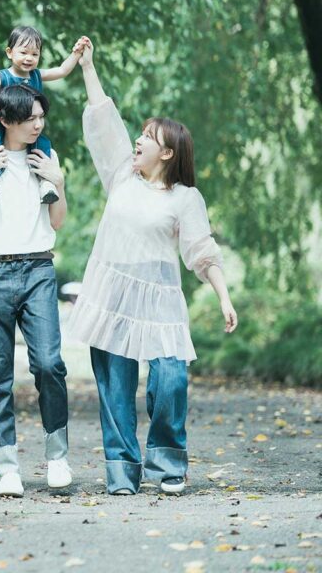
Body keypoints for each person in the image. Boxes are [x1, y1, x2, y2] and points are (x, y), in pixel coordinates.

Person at [61, 41, 239, 496]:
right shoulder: (122, 175)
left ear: (167, 153)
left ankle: (167, 462)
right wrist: (88, 66)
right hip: (113, 296)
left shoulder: (185, 199)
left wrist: (223, 296)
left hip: (161, 299)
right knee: (115, 388)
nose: (137, 141)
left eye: (147, 137)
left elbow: (202, 250)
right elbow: (103, 119)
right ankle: (121, 470)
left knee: (171, 378)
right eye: (138, 135)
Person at [0, 83, 72, 498]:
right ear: (5, 119)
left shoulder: (47, 156)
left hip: (38, 268)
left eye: (42, 117)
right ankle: (7, 467)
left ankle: (57, 458)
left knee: (49, 364)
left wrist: (58, 180)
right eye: (31, 118)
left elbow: (57, 221)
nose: (39, 124)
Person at [0, 28, 88, 204]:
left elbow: (62, 70)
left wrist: (76, 53)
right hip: (1, 122)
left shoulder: (36, 75)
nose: (29, 58)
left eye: (35, 54)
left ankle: (45, 183)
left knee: (42, 145)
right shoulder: (3, 77)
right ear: (10, 53)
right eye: (24, 52)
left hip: (28, 126)